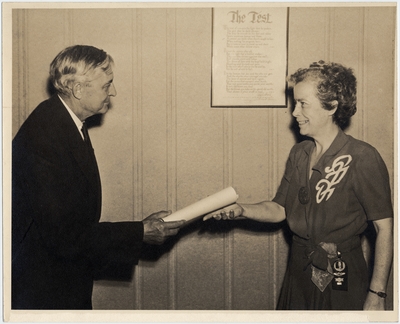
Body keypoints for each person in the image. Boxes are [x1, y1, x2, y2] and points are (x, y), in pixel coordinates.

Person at [204, 61, 393, 310]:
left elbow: (385, 229)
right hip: (299, 272)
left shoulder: (363, 156)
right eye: (295, 103)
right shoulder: (299, 153)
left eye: (303, 103)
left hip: (341, 274)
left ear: (332, 106)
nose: (294, 112)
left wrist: (377, 293)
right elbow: (280, 209)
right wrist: (241, 209)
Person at [12, 45, 186, 310]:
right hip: (44, 292)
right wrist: (139, 232)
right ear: (78, 90)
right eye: (107, 85)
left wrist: (139, 229)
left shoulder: (64, 121)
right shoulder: (44, 136)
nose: (113, 92)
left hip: (62, 281)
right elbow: (64, 236)